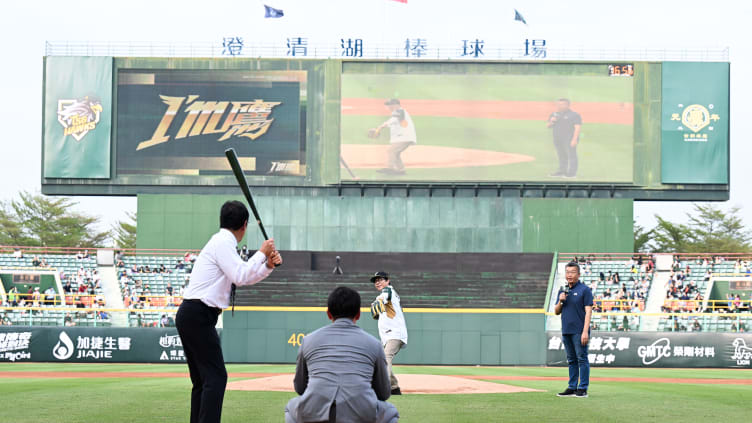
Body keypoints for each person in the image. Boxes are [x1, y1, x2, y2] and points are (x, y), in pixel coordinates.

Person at [176, 200, 282, 423]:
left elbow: (244, 276)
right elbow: (241, 275)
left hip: (194, 314)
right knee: (216, 378)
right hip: (198, 314)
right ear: (244, 225)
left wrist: (268, 266)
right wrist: (262, 253)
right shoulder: (223, 242)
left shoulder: (222, 242)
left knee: (203, 381)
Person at [284, 286, 399, 423]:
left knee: (291, 407)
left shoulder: (308, 340)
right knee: (390, 411)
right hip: (361, 414)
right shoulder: (374, 344)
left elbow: (300, 388)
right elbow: (384, 393)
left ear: (328, 313)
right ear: (358, 314)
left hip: (314, 412)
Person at [555, 261, 593, 398]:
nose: (569, 275)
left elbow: (588, 311)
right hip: (566, 330)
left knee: (582, 358)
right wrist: (560, 300)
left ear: (578, 274)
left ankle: (582, 388)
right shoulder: (563, 290)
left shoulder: (584, 290)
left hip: (579, 331)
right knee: (571, 360)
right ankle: (572, 387)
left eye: (572, 272)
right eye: (567, 272)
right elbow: (556, 311)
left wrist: (585, 331)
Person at [370, 271, 408, 395]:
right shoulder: (388, 296)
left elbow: (385, 296)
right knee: (382, 359)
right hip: (389, 335)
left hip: (395, 334)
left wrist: (378, 300)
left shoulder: (388, 291)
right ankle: (394, 388)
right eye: (376, 281)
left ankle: (383, 388)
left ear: (387, 281)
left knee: (386, 358)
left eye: (380, 279)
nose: (378, 282)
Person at [370, 98, 417, 175]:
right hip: (404, 137)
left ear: (396, 105)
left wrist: (380, 127)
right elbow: (392, 121)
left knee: (391, 151)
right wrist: (380, 127)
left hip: (404, 137)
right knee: (396, 153)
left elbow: (393, 121)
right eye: (388, 105)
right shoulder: (398, 113)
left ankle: (390, 168)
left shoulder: (400, 111)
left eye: (390, 105)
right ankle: (401, 170)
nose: (388, 107)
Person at [546, 98, 582, 178]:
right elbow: (548, 126)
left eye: (562, 104)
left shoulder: (574, 115)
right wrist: (552, 121)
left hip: (569, 138)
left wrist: (574, 139)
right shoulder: (554, 114)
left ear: (568, 105)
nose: (559, 106)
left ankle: (572, 173)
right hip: (557, 138)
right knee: (561, 155)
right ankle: (561, 171)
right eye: (558, 104)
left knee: (571, 155)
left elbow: (577, 127)